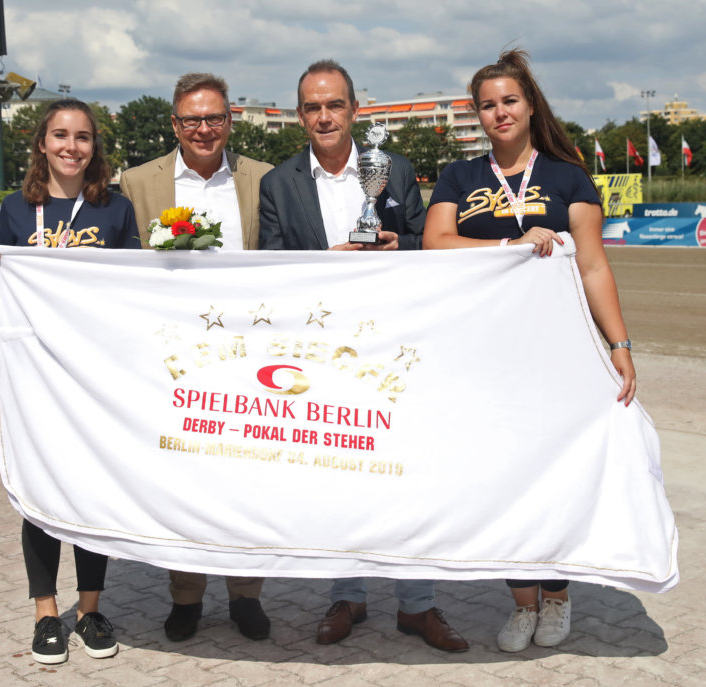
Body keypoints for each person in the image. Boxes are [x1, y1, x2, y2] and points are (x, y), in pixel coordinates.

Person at [424, 48, 637, 653]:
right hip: (484, 354)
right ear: (478, 116)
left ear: (530, 104)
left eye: (509, 101)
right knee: (502, 479)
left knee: (555, 477)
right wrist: (511, 243)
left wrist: (619, 343)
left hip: (557, 353)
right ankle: (521, 603)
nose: (499, 113)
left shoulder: (569, 175)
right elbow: (436, 242)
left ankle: (559, 593)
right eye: (487, 105)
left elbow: (594, 265)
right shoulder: (461, 177)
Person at [258, 59, 468, 653]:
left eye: (334, 105)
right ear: (300, 115)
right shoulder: (278, 183)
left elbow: (432, 245)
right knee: (337, 475)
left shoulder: (393, 169)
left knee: (409, 473)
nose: (324, 116)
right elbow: (272, 273)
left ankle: (417, 605)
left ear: (354, 110)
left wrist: (405, 245)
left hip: (394, 346)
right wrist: (331, 258)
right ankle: (346, 594)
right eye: (312, 107)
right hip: (324, 351)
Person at [0, 99, 140, 665]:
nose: (72, 147)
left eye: (83, 137)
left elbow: (136, 287)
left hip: (95, 378)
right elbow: (4, 286)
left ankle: (90, 611)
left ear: (95, 147)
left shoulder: (115, 209)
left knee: (91, 494)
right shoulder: (16, 210)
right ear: (42, 143)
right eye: (60, 136)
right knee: (40, 496)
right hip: (37, 379)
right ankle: (46, 613)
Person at [119, 73, 273, 642]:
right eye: (192, 120)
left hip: (251, 354)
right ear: (175, 124)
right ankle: (185, 595)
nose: (203, 129)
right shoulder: (137, 183)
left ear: (230, 120)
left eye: (214, 119)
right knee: (182, 477)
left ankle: (246, 594)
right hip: (175, 358)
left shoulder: (262, 178)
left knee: (248, 479)